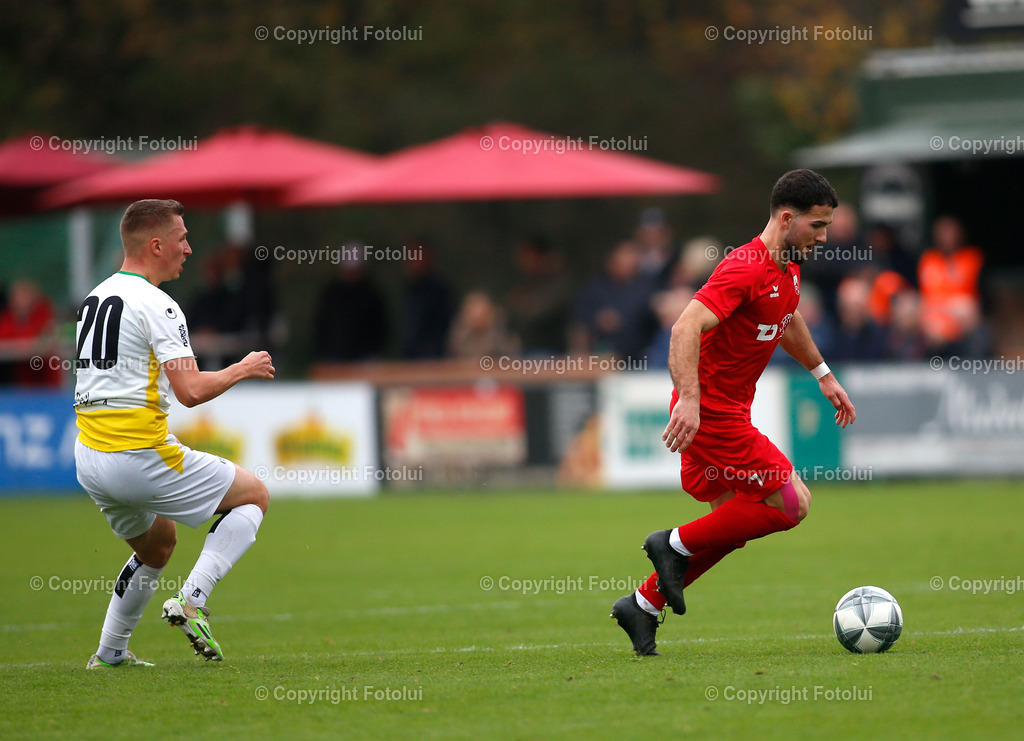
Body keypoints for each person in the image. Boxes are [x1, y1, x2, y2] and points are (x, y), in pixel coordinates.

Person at [610, 170, 857, 656]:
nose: (824, 237)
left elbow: (785, 318)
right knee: (791, 503)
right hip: (710, 415)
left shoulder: (787, 266)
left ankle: (642, 605)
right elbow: (685, 326)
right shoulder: (745, 266)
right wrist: (690, 399)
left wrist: (822, 373)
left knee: (733, 523)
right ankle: (671, 542)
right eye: (817, 225)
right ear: (786, 219)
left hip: (724, 412)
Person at [75, 199, 274, 668]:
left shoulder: (95, 297)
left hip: (89, 456)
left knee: (158, 545)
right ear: (156, 245)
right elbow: (190, 390)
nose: (189, 249)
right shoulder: (158, 304)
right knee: (254, 496)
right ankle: (192, 600)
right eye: (182, 239)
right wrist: (243, 367)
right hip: (137, 454)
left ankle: (110, 653)